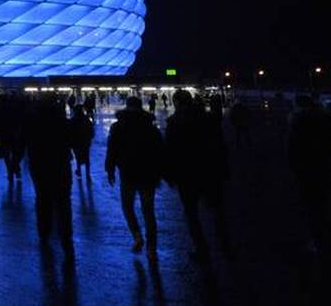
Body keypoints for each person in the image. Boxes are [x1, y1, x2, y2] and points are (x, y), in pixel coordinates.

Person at [164, 90, 230, 260]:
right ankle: (224, 243)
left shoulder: (174, 122)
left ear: (176, 102)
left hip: (187, 174)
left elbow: (170, 151)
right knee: (217, 209)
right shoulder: (209, 119)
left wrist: (170, 174)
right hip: (210, 170)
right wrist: (223, 168)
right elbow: (220, 145)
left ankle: (200, 247)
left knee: (191, 213)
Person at [105, 96, 164, 256]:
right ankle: (152, 246)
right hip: (147, 173)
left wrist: (110, 169)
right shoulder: (150, 127)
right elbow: (160, 150)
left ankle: (137, 236)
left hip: (128, 172)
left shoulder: (118, 127)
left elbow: (112, 149)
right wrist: (162, 172)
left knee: (127, 206)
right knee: (148, 210)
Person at [287, 94, 331, 263]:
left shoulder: (297, 121)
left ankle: (319, 239)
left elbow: (293, 147)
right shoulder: (327, 119)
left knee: (311, 203)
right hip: (326, 164)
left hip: (307, 167)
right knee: (326, 200)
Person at [26, 99, 75, 260]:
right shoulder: (63, 123)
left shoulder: (33, 124)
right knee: (63, 202)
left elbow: (23, 141)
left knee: (42, 199)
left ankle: (44, 232)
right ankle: (66, 237)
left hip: (39, 165)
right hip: (60, 165)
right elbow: (73, 139)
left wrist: (15, 160)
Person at [68, 104, 95, 179]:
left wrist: (70, 143)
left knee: (78, 157)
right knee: (87, 157)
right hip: (86, 142)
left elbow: (70, 133)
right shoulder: (87, 119)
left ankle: (79, 171)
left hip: (76, 143)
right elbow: (91, 131)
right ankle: (87, 173)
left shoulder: (72, 120)